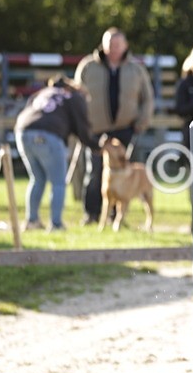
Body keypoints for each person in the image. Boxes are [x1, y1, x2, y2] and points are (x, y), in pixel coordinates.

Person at [76, 27, 154, 224]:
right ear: (103, 44)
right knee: (94, 173)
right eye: (110, 43)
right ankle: (91, 214)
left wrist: (141, 122)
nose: (114, 48)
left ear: (125, 45)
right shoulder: (88, 66)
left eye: (118, 44)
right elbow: (77, 96)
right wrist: (81, 124)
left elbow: (148, 98)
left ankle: (118, 217)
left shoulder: (136, 69)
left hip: (125, 129)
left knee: (124, 175)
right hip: (96, 130)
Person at [14, 76, 100, 231]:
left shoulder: (44, 92)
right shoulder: (74, 97)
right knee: (58, 182)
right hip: (49, 136)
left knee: (37, 179)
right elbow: (83, 128)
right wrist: (95, 146)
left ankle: (31, 221)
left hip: (22, 132)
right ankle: (56, 224)